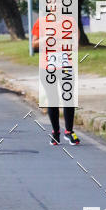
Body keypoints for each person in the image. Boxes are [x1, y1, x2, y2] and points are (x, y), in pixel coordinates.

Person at [32, 16, 81, 146]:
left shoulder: (70, 21)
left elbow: (76, 41)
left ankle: (69, 131)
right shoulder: (41, 22)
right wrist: (46, 39)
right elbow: (34, 43)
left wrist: (68, 43)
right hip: (47, 66)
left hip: (66, 65)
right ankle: (55, 132)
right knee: (52, 99)